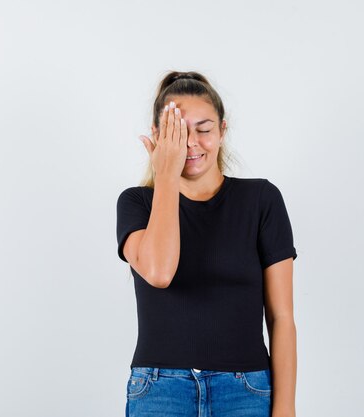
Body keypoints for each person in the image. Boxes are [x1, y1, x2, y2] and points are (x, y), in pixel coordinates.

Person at [116, 71, 298, 417]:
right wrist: (166, 174)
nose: (192, 144)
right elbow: (159, 272)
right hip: (159, 390)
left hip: (246, 389)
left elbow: (282, 317)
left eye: (203, 129)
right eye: (178, 133)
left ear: (222, 131)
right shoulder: (136, 204)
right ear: (157, 135)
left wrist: (285, 407)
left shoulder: (261, 199)